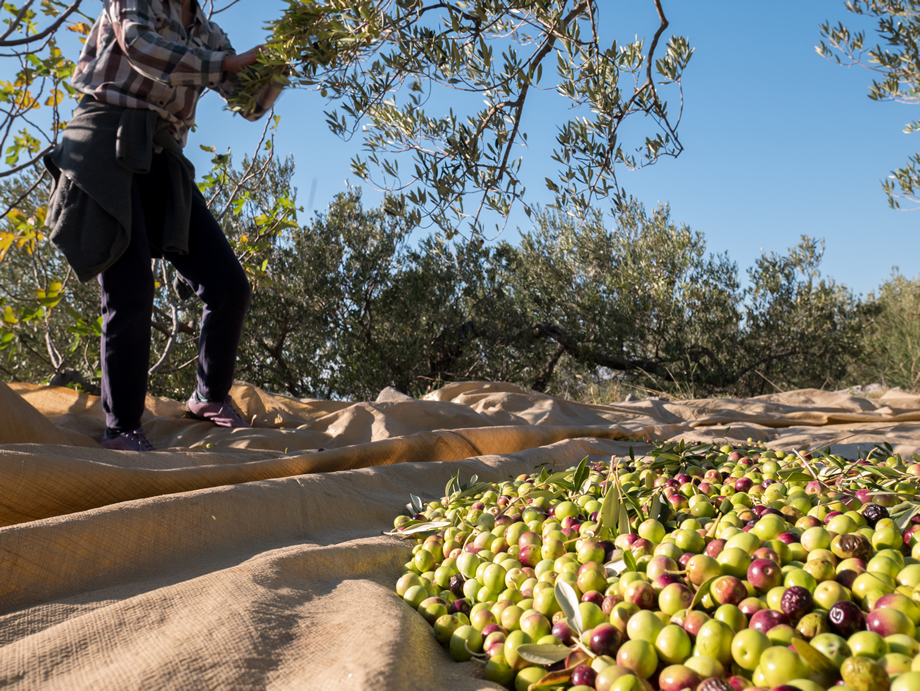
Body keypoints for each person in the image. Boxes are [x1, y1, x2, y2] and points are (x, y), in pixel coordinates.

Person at [44, 0, 281, 451]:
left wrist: (285, 61)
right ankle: (123, 426)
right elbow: (139, 47)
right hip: (107, 136)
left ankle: (208, 398)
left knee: (229, 284)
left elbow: (248, 102)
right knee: (130, 286)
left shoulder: (207, 33)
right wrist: (225, 64)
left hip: (161, 149)